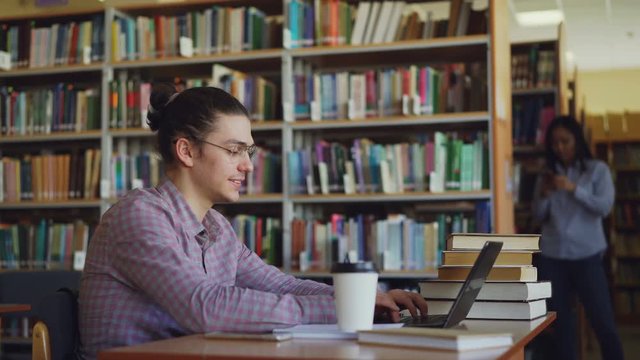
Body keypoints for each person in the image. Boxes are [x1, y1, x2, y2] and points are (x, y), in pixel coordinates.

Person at [78, 85, 428, 359]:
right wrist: (341, 308)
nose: (247, 165)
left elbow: (282, 286)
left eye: (249, 151)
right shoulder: (138, 216)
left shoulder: (216, 228)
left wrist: (366, 298)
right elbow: (204, 307)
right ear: (186, 151)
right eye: (234, 150)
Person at [532, 115, 624, 360]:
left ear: (577, 140)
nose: (560, 147)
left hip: (587, 255)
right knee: (560, 326)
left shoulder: (598, 170)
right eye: (554, 143)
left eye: (565, 141)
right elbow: (538, 214)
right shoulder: (547, 174)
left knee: (602, 321)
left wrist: (574, 189)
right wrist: (544, 194)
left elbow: (604, 207)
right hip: (553, 256)